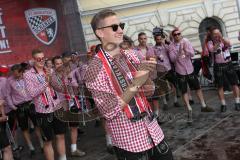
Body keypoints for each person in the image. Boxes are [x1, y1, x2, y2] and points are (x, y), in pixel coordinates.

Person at [85, 9, 173, 160]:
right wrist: (136, 83)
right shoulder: (94, 68)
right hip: (130, 142)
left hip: (154, 132)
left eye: (121, 25)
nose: (120, 30)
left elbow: (149, 89)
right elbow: (108, 111)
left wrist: (149, 83)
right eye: (114, 27)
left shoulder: (130, 54)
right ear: (100, 33)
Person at [23, 49, 67, 160]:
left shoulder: (50, 70)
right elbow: (32, 93)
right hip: (43, 111)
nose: (42, 60)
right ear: (33, 60)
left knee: (61, 136)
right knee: (47, 141)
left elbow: (59, 87)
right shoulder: (28, 75)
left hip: (57, 107)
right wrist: (46, 82)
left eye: (43, 58)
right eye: (39, 59)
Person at [169, 28, 214, 122]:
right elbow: (172, 60)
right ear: (173, 36)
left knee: (198, 87)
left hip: (190, 69)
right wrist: (178, 52)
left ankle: (203, 106)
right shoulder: (171, 46)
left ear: (180, 34)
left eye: (178, 34)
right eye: (175, 35)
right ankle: (189, 109)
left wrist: (185, 50)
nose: (177, 36)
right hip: (180, 71)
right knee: (184, 91)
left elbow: (192, 54)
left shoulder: (186, 41)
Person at [5, 64, 43, 156]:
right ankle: (31, 148)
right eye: (13, 74)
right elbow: (8, 95)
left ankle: (42, 144)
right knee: (24, 129)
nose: (15, 76)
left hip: (31, 104)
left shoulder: (27, 77)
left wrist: (36, 101)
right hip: (19, 107)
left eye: (17, 74)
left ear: (21, 72)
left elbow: (35, 87)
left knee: (37, 125)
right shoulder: (9, 81)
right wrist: (13, 106)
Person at [54, 53, 86, 157]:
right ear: (53, 65)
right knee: (60, 133)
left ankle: (74, 149)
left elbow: (75, 87)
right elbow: (58, 89)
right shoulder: (51, 77)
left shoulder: (68, 74)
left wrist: (70, 79)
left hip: (71, 103)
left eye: (61, 63)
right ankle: (62, 155)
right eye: (57, 64)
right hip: (59, 106)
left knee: (74, 127)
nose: (59, 65)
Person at [207, 27, 240, 112]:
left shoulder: (224, 39)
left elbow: (229, 45)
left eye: (218, 33)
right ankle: (223, 104)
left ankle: (237, 102)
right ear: (212, 35)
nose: (217, 35)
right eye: (215, 34)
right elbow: (212, 49)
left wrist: (221, 38)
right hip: (218, 66)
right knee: (220, 86)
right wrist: (217, 42)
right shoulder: (210, 43)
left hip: (228, 64)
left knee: (234, 83)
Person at [153, 32, 182, 111]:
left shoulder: (166, 46)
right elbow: (152, 58)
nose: (159, 40)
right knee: (162, 87)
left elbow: (171, 50)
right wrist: (156, 57)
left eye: (160, 39)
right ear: (155, 40)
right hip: (160, 70)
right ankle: (165, 103)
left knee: (173, 85)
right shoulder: (153, 49)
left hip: (169, 68)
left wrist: (166, 42)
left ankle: (176, 101)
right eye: (157, 39)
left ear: (162, 39)